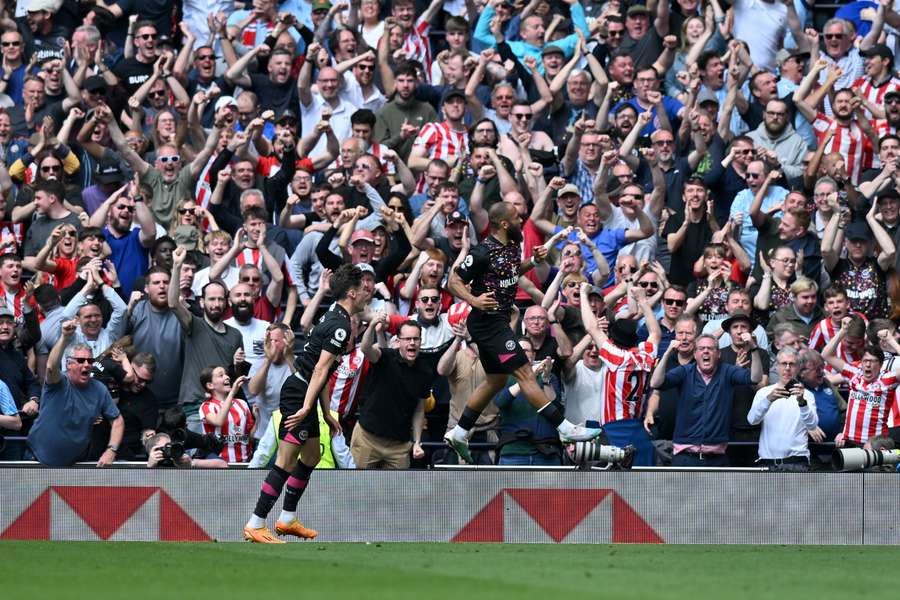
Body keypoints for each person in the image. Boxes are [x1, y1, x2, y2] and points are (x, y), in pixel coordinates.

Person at [444, 202, 625, 464]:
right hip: (488, 323)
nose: (522, 221)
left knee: (495, 381)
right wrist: (474, 301)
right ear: (504, 224)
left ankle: (459, 433)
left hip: (498, 321)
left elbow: (510, 273)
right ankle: (565, 430)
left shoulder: (509, 248)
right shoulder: (482, 251)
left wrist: (533, 261)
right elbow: (453, 281)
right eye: (517, 218)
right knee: (526, 373)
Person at [244, 264, 367, 543]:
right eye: (362, 289)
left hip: (305, 392)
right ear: (351, 292)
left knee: (311, 456)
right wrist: (305, 407)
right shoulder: (340, 325)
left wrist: (325, 413)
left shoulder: (333, 315)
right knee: (286, 460)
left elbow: (322, 373)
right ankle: (255, 523)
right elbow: (320, 370)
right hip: (298, 394)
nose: (366, 293)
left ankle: (287, 519)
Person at [650, 329, 763, 467]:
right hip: (685, 456)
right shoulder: (685, 372)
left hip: (717, 458)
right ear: (695, 354)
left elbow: (755, 378)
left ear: (718, 354)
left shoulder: (727, 372)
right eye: (701, 349)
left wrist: (754, 348)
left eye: (710, 348)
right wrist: (667, 352)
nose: (705, 352)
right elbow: (655, 383)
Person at [27, 319, 123, 467]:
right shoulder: (58, 382)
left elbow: (117, 420)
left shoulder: (99, 389)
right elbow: (51, 367)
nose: (86, 364)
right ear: (68, 364)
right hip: (36, 459)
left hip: (74, 464)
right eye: (80, 360)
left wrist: (111, 450)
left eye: (90, 360)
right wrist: (65, 337)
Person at [168, 247, 244, 432]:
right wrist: (177, 267)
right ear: (202, 302)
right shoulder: (195, 324)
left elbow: (235, 378)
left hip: (223, 407)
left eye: (220, 299)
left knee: (223, 459)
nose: (216, 304)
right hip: (194, 405)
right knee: (196, 459)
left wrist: (238, 366)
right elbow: (172, 303)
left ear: (226, 302)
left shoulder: (235, 335)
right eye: (211, 299)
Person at [351, 317, 432, 469]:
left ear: (421, 341)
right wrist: (373, 324)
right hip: (367, 439)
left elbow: (419, 409)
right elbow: (366, 348)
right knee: (358, 489)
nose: (412, 343)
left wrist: (417, 442)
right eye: (407, 339)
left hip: (399, 446)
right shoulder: (385, 357)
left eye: (416, 339)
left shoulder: (425, 371)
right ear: (399, 341)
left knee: (395, 492)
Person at [823, 317, 900, 447]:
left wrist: (842, 331)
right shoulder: (857, 371)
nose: (898, 335)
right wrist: (843, 330)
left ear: (879, 364)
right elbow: (826, 357)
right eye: (894, 333)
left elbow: (830, 371)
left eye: (873, 362)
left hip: (881, 436)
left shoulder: (887, 373)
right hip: (856, 439)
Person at [748, 347, 818, 471]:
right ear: (776, 366)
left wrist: (802, 402)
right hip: (768, 462)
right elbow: (752, 420)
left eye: (792, 364)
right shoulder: (764, 393)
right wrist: (768, 400)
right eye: (783, 364)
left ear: (798, 368)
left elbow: (812, 425)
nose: (787, 368)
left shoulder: (807, 395)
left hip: (797, 462)